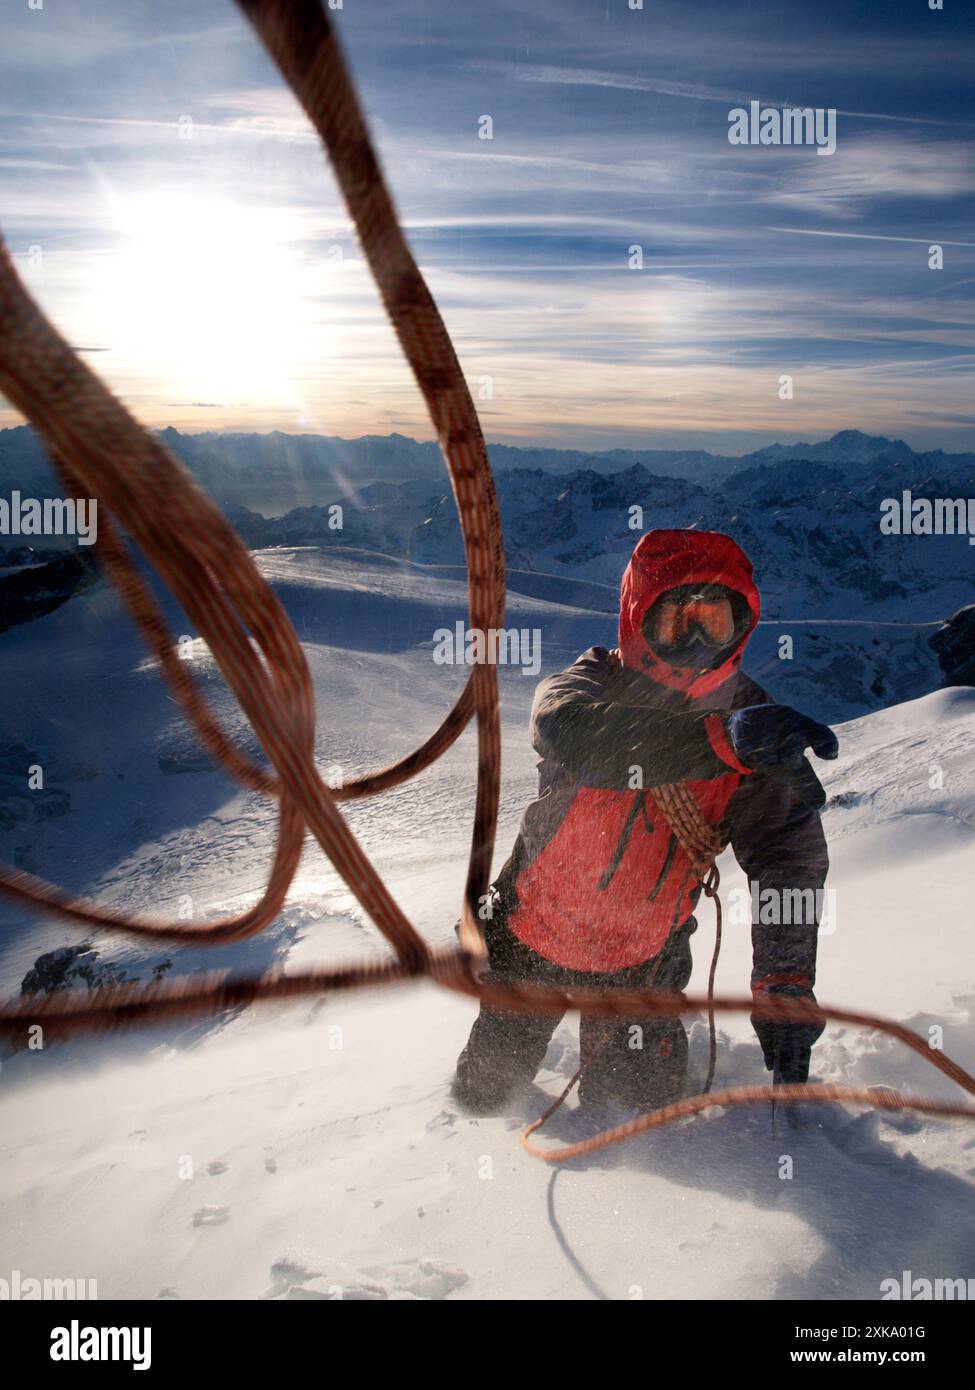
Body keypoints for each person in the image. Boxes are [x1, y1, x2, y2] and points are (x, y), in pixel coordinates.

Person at [451, 528, 838, 1115]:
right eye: (675, 621)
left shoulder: (754, 729)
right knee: (484, 1099)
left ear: (742, 626)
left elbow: (787, 859)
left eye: (714, 620)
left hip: (643, 963)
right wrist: (721, 740)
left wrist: (784, 984)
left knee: (639, 1119)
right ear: (637, 619)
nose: (696, 640)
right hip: (531, 937)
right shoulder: (587, 685)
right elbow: (571, 734)